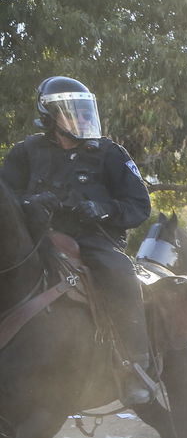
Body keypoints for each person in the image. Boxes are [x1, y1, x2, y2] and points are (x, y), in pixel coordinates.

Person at [1, 76, 152, 406]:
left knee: (121, 272)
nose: (82, 119)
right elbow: (6, 200)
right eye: (72, 112)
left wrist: (102, 209)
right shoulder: (25, 152)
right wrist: (31, 202)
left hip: (92, 240)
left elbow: (140, 205)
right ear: (49, 117)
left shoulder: (111, 153)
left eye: (86, 112)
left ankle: (134, 365)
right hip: (38, 237)